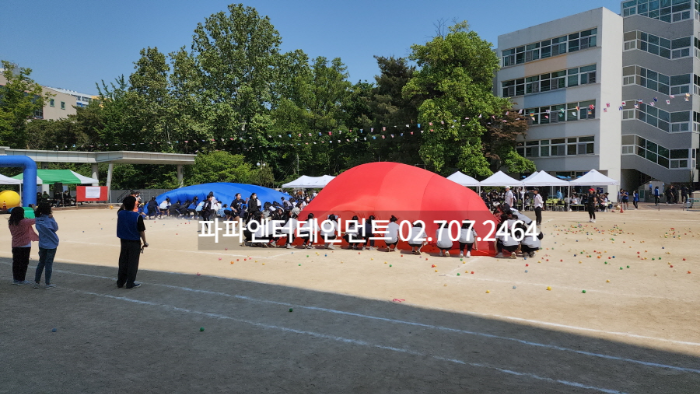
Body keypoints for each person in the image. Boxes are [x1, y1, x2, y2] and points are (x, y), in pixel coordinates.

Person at [116, 196, 148, 289]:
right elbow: (141, 231)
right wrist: (145, 242)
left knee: (123, 261)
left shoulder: (120, 213)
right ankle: (130, 282)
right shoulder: (137, 216)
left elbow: (121, 208)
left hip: (123, 241)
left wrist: (126, 202)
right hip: (134, 242)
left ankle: (120, 282)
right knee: (132, 263)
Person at [8, 207, 39, 285]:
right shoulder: (24, 222)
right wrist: (35, 210)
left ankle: (16, 279)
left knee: (16, 262)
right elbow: (37, 219)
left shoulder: (11, 222)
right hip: (25, 245)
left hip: (15, 244)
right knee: (24, 262)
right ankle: (21, 279)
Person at [33, 202, 59, 289]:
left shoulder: (37, 219)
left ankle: (37, 281)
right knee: (48, 263)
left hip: (42, 243)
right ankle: (47, 283)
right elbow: (55, 228)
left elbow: (36, 213)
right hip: (51, 243)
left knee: (41, 262)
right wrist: (52, 217)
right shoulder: (50, 219)